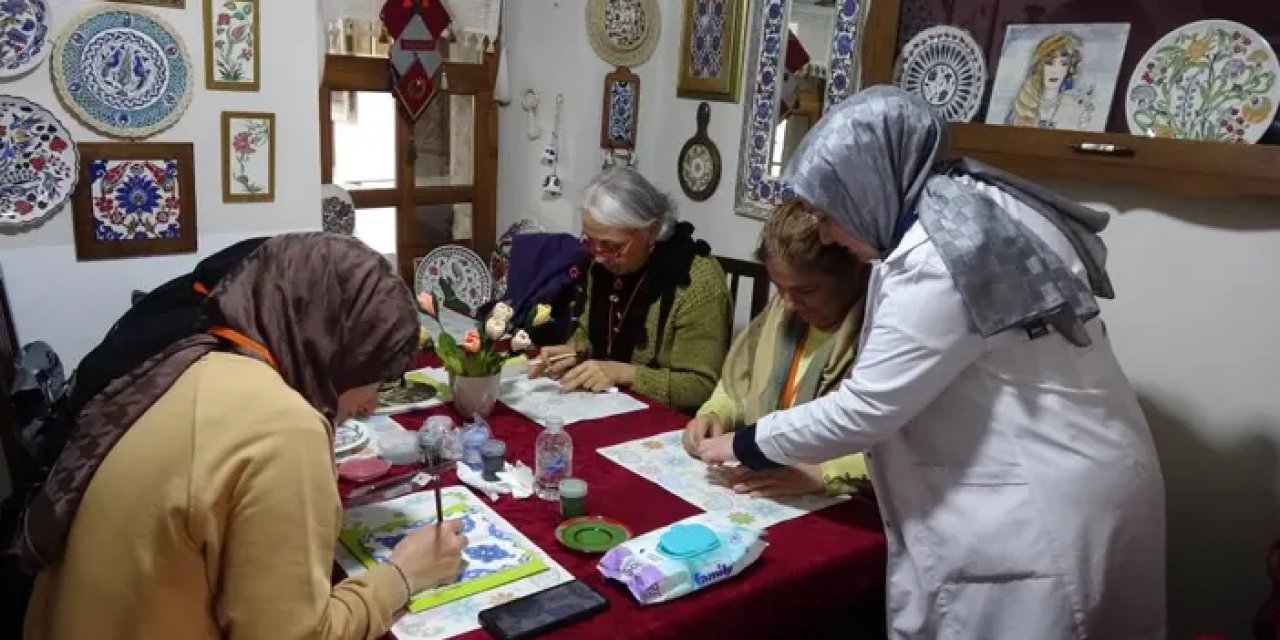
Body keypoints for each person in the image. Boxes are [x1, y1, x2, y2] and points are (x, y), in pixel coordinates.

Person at [698, 86, 1166, 639]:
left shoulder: (944, 253)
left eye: (828, 213)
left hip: (1043, 501)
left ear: (868, 184)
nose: (823, 231)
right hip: (1080, 469)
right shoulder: (971, 204)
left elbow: (866, 409)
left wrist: (743, 444)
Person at [20, 234, 466, 640]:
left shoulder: (196, 356)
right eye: (375, 375)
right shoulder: (285, 427)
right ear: (336, 344)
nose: (371, 403)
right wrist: (403, 575)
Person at [682, 200, 872, 498]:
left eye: (806, 291)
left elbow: (901, 447)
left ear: (854, 272)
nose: (789, 303)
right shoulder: (782, 313)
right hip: (770, 480)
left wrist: (822, 474)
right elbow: (738, 386)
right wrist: (716, 415)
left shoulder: (880, 330)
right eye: (779, 287)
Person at [530, 168, 731, 413]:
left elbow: (701, 386)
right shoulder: (600, 268)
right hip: (606, 407)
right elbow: (588, 337)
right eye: (590, 241)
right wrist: (574, 352)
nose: (600, 257)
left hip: (665, 423)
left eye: (612, 246)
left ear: (652, 231)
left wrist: (627, 374)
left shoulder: (695, 282)